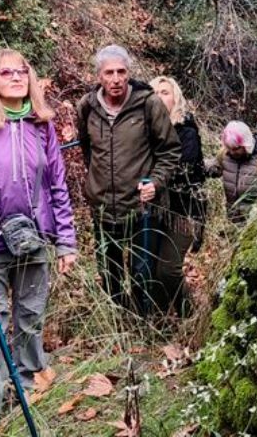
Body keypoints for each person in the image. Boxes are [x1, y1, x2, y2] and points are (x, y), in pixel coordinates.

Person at [0, 49, 77, 428]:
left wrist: (65, 240)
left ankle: (26, 397)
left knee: (31, 320)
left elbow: (57, 186)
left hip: (34, 241)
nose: (17, 77)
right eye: (6, 73)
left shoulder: (42, 126)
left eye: (22, 71)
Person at [75, 45, 181, 315]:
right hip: (102, 208)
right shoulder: (87, 106)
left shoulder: (148, 104)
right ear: (99, 76)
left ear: (129, 73)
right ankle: (118, 322)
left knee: (142, 273)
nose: (116, 79)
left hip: (140, 208)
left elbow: (170, 150)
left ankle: (144, 326)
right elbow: (88, 150)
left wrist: (156, 182)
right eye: (109, 73)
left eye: (121, 72)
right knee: (109, 274)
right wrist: (95, 184)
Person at [148, 76, 205, 317]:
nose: (160, 97)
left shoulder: (186, 131)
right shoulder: (145, 130)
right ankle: (161, 321)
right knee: (151, 269)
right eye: (155, 93)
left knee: (168, 270)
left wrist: (152, 179)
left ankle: (191, 316)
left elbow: (183, 170)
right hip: (155, 210)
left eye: (165, 92)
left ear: (175, 98)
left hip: (185, 210)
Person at [207, 121, 257, 222]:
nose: (232, 152)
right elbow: (213, 168)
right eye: (229, 148)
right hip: (233, 220)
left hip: (256, 221)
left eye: (236, 148)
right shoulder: (225, 156)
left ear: (246, 144)